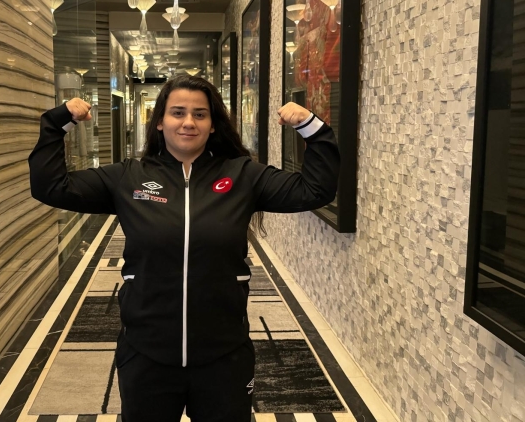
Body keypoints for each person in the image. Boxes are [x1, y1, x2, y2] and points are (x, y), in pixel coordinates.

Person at [28, 75, 340, 422]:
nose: (188, 122)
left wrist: (312, 129)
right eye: (178, 112)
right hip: (146, 352)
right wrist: (57, 123)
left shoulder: (243, 175)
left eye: (199, 114)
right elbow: (49, 187)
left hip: (224, 355)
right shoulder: (128, 178)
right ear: (160, 121)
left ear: (212, 124)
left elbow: (315, 190)